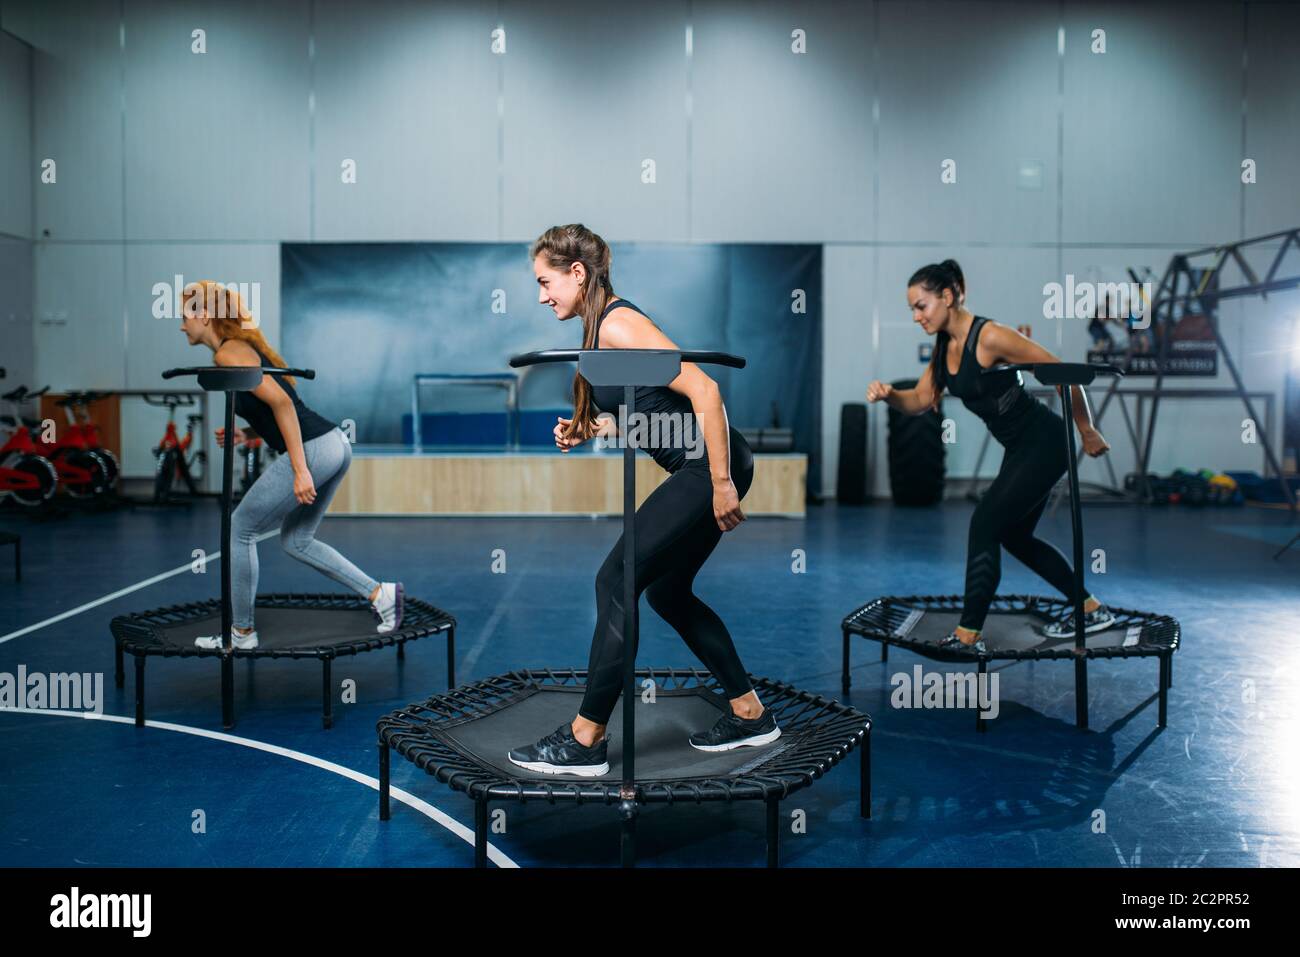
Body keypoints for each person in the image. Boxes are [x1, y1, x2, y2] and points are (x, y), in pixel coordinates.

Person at [507, 224, 778, 776]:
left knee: (615, 579)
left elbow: (705, 390)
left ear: (576, 273)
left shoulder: (620, 325)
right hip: (702, 462)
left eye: (545, 281)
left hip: (710, 464)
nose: (541, 295)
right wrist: (595, 427)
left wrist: (721, 482)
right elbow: (652, 412)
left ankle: (585, 741)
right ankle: (750, 714)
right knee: (668, 595)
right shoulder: (596, 329)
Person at [867, 260, 1115, 652]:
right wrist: (889, 396)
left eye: (921, 306)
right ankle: (1090, 608)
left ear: (947, 297)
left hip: (1046, 443)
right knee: (1013, 535)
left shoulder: (991, 337)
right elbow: (918, 400)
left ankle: (968, 636)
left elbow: (1061, 371)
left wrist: (1086, 428)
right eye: (912, 309)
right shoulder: (944, 346)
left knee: (985, 523)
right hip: (1021, 449)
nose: (916, 316)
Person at [177, 280, 402, 649]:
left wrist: (299, 470)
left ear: (204, 315)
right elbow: (276, 408)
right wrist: (247, 435)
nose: (181, 325)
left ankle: (242, 633)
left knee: (241, 528)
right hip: (334, 445)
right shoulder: (240, 349)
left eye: (184, 315)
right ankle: (381, 595)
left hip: (315, 450)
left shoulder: (229, 354)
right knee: (297, 540)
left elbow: (283, 404)